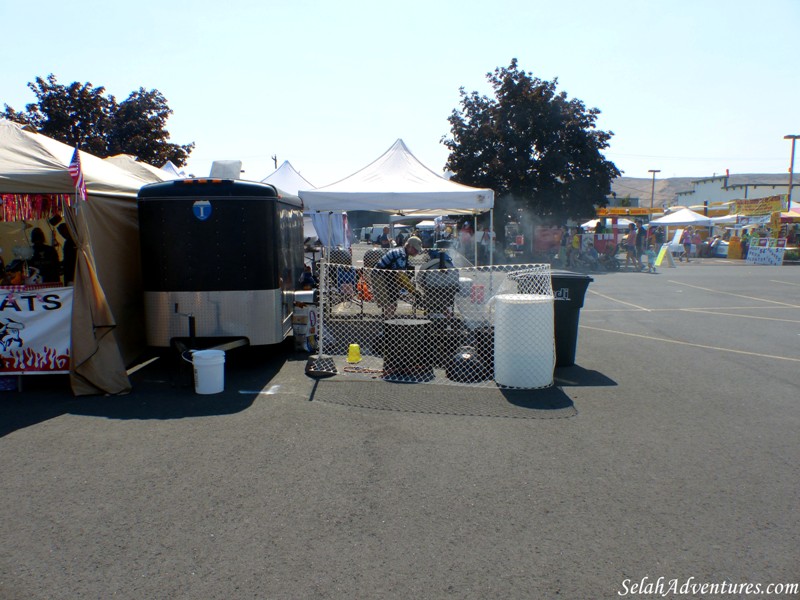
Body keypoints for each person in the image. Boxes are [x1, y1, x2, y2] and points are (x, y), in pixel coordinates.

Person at [373, 236, 423, 319]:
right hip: (379, 276)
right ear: (409, 246)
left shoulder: (403, 253)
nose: (417, 252)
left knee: (393, 302)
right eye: (415, 249)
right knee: (390, 304)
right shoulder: (401, 255)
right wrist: (414, 292)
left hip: (387, 276)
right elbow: (400, 275)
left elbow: (400, 276)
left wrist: (410, 290)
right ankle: (387, 328)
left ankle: (389, 324)